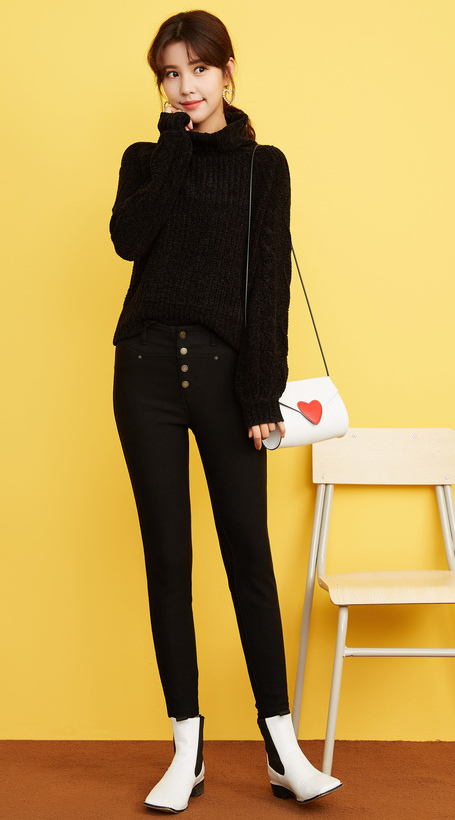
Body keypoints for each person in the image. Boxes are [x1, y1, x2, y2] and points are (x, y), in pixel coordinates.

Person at [110, 10, 341, 813]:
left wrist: (259, 394)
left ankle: (282, 748)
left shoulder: (262, 167)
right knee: (168, 561)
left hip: (223, 377)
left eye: (198, 70)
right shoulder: (145, 158)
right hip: (142, 372)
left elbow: (268, 287)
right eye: (170, 74)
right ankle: (187, 750)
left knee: (247, 554)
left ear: (227, 72)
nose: (185, 87)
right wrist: (175, 147)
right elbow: (128, 241)